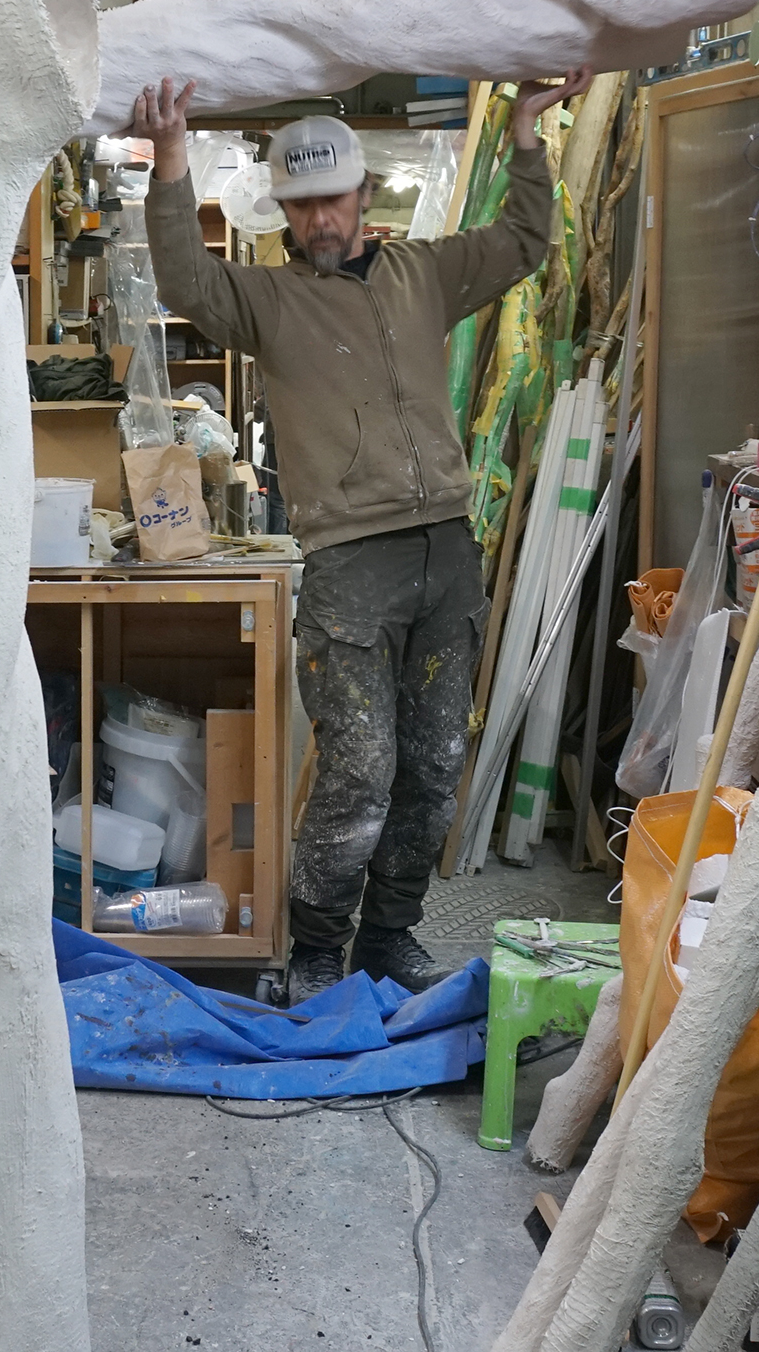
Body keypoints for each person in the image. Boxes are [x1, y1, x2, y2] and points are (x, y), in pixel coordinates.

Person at [133, 66, 593, 1004]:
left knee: (434, 766)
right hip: (350, 566)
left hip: (446, 555)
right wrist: (171, 156)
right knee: (359, 769)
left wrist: (527, 135)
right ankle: (316, 947)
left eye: (332, 199)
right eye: (301, 205)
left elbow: (522, 240)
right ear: (284, 210)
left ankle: (389, 937)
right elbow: (184, 277)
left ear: (364, 193)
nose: (319, 220)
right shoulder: (269, 302)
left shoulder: (425, 274)